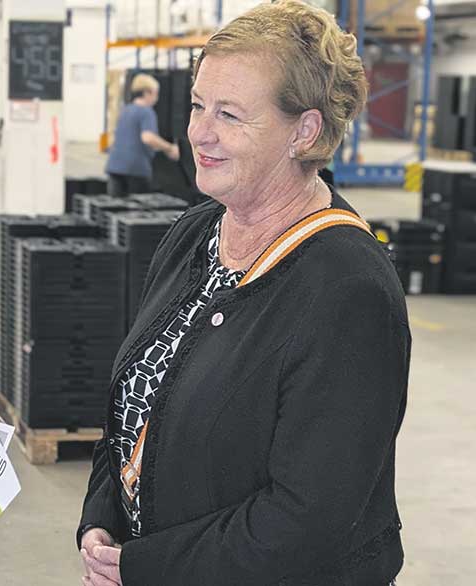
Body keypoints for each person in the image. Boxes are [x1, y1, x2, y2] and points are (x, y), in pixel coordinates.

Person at [78, 2, 410, 585]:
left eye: (230, 115)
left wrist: (147, 567)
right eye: (198, 105)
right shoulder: (195, 235)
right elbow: (140, 399)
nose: (199, 132)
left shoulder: (348, 291)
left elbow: (307, 520)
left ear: (303, 131)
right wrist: (101, 518)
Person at [105, 73, 180, 197]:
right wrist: (170, 148)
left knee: (116, 208)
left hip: (114, 166)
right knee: (137, 211)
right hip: (135, 169)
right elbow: (148, 138)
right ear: (147, 93)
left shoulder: (126, 110)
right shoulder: (146, 112)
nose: (157, 97)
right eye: (155, 93)